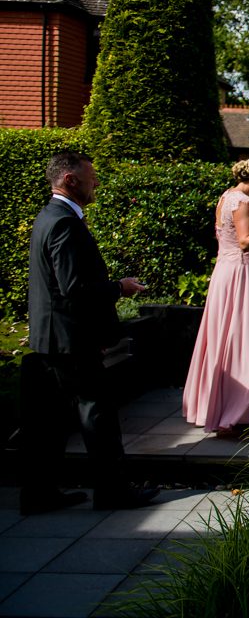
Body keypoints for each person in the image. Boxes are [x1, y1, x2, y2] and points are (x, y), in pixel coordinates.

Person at [21, 151, 158, 514]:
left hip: (50, 337)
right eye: (90, 175)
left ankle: (39, 495)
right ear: (70, 179)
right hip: (70, 339)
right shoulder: (65, 223)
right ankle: (113, 492)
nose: (95, 182)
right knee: (97, 414)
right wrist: (119, 287)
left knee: (50, 422)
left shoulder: (48, 216)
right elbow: (74, 287)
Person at [182, 156, 249, 438]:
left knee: (224, 337)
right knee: (243, 338)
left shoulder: (226, 196)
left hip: (225, 271)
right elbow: (243, 243)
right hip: (240, 273)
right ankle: (240, 410)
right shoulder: (242, 201)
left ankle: (220, 404)